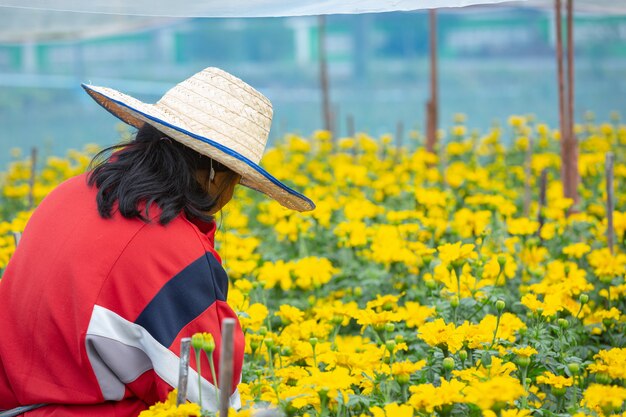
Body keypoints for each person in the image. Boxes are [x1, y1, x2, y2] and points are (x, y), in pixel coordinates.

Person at [0, 67, 315, 416]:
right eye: (237, 181)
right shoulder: (172, 251)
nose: (230, 195)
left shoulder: (69, 192)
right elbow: (210, 396)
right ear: (213, 173)